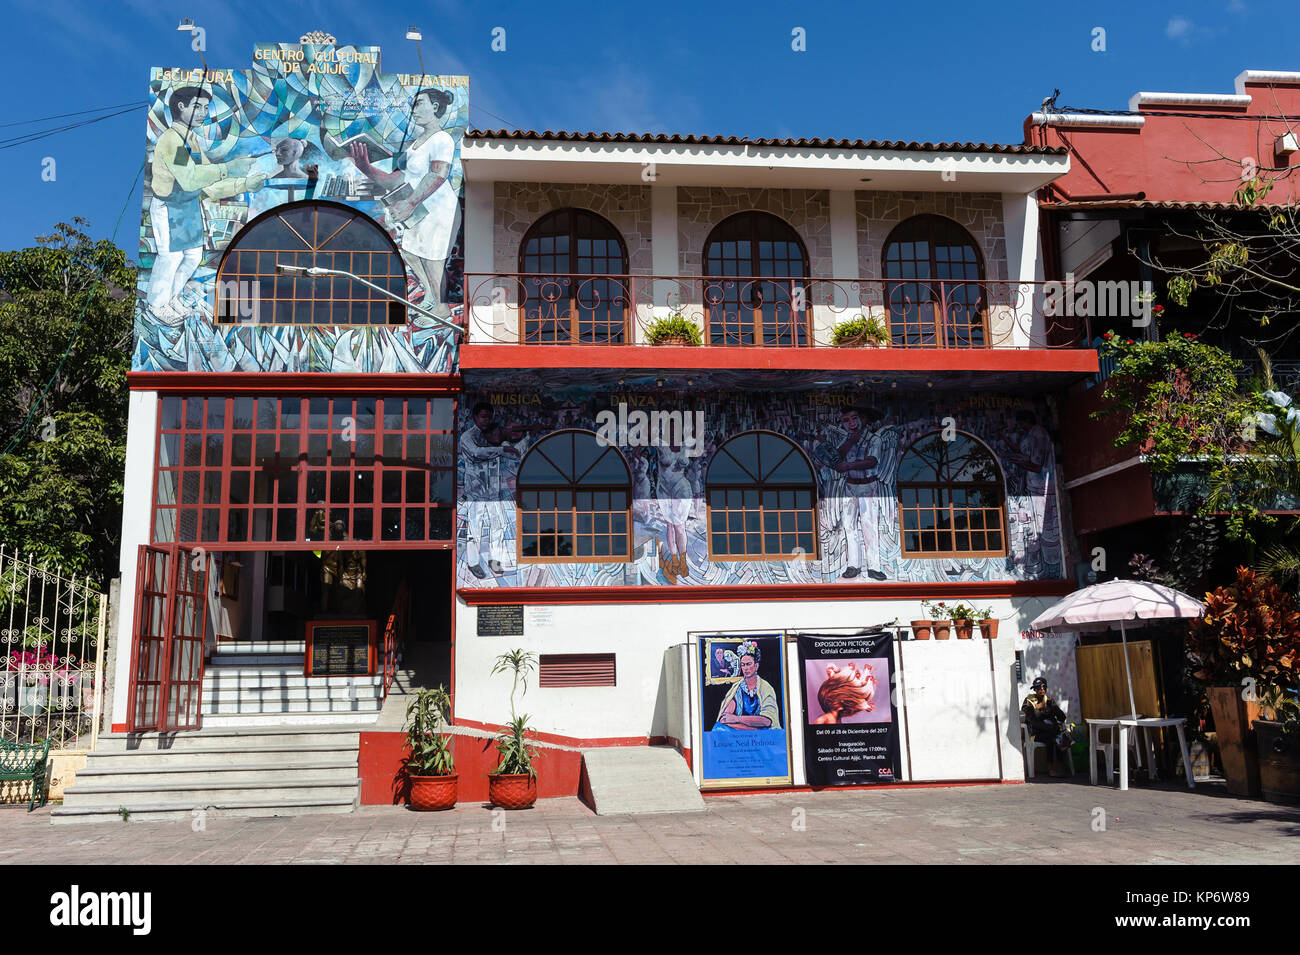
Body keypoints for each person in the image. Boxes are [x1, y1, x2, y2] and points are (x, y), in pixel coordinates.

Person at [147, 85, 267, 318]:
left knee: (191, 257)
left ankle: (170, 300)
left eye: (205, 107)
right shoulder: (173, 141)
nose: (204, 112)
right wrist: (227, 168)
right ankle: (156, 306)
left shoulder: (190, 140)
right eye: (197, 107)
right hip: (169, 208)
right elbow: (190, 178)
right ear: (180, 107)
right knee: (170, 257)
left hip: (188, 208)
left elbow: (208, 184)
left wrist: (244, 183)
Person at [347, 87, 459, 315]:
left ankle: (441, 309)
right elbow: (393, 180)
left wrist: (410, 203)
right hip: (417, 208)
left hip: (437, 207)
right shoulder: (414, 145)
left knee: (432, 258)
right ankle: (430, 295)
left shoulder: (443, 138)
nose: (413, 109)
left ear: (435, 107)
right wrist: (365, 167)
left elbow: (438, 173)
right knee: (409, 252)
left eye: (419, 103)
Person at [832, 407, 888, 581]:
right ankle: (853, 566)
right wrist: (850, 442)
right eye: (846, 421)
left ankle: (874, 567)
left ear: (862, 419)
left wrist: (848, 466)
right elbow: (836, 457)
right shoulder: (846, 440)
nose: (852, 423)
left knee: (869, 526)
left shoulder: (874, 439)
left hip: (868, 486)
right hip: (849, 486)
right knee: (849, 526)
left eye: (854, 418)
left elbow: (872, 461)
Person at [714, 641, 781, 731]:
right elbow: (725, 718)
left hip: (762, 732)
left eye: (749, 664)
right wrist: (751, 729)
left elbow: (767, 721)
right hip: (744, 730)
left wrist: (737, 719)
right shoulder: (737, 688)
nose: (745, 668)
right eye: (743, 665)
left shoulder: (765, 688)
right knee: (718, 729)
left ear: (756, 666)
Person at [1022, 676, 1072, 776]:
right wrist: (1049, 726)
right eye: (1037, 688)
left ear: (1046, 688)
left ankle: (1061, 767)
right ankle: (1051, 769)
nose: (1040, 690)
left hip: (1050, 731)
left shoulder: (1049, 700)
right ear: (1034, 690)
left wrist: (1054, 709)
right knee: (1051, 738)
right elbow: (1033, 721)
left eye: (1042, 687)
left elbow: (1061, 717)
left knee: (1060, 738)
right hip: (1034, 734)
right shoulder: (1029, 701)